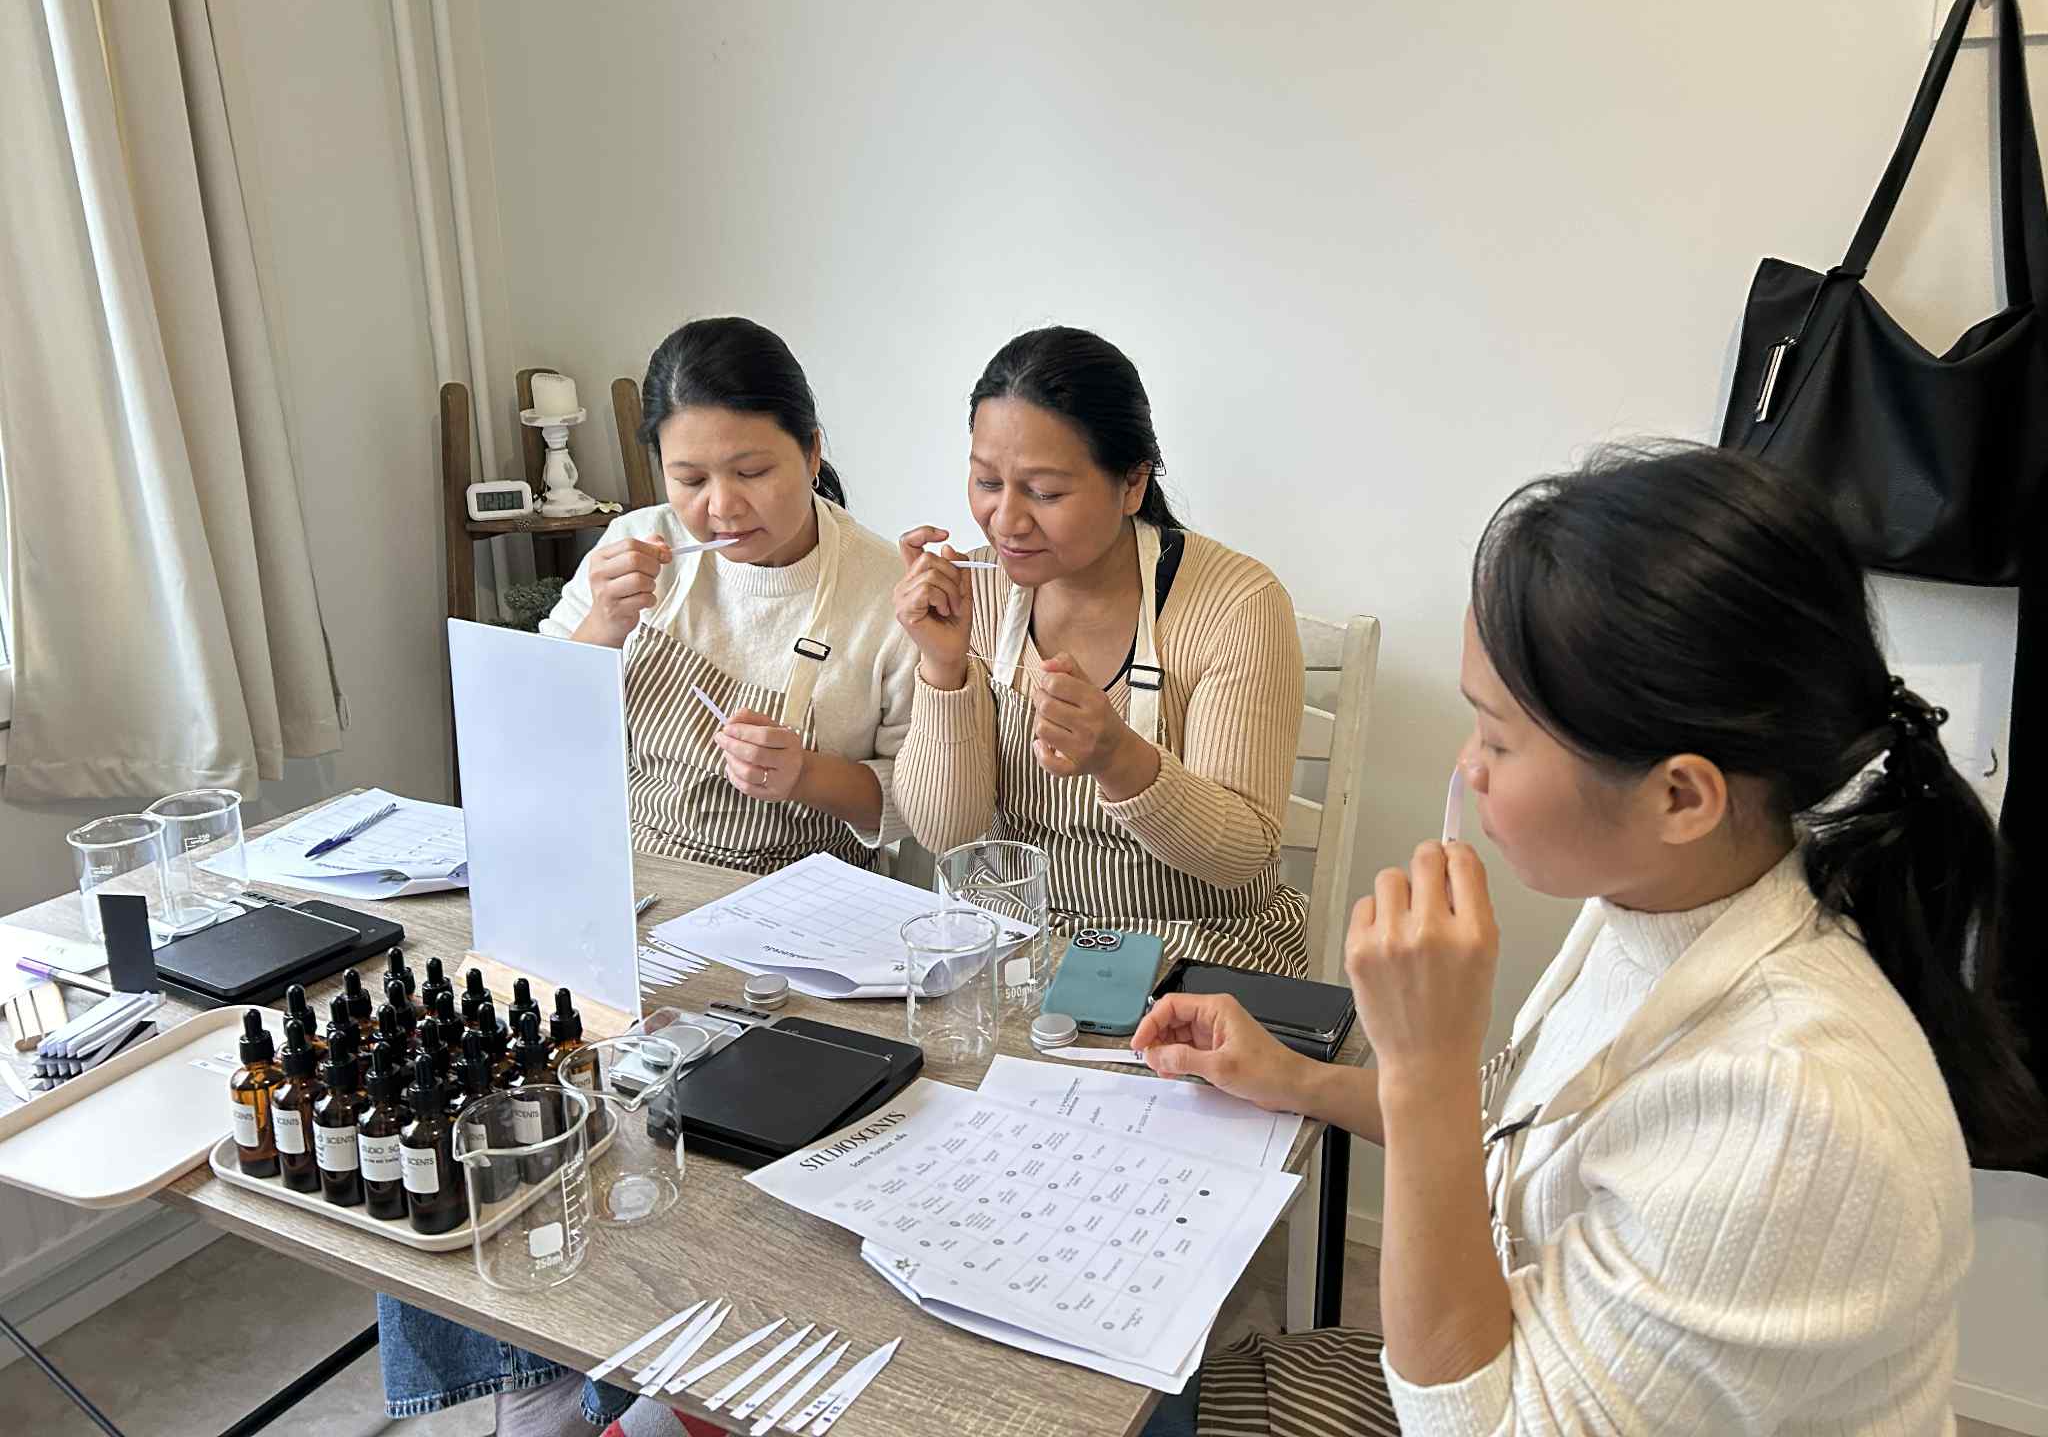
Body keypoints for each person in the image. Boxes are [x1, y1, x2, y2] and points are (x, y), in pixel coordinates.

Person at [1135, 445, 2044, 1436]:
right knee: (1185, 1388)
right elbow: (1521, 1131)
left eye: (1494, 738)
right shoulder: (1657, 905)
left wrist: (1423, 1068)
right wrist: (1292, 1078)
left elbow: (1474, 1425)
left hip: (1493, 1400)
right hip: (1521, 1350)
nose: (1465, 769)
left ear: (1679, 795)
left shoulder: (1792, 1117)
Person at [381, 317, 918, 1435]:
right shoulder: (632, 555)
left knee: (670, 1142)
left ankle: (650, 1379)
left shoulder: (878, 588)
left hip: (797, 935)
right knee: (472, 1078)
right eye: (688, 477)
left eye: (751, 470)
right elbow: (534, 754)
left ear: (813, 450)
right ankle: (525, 1370)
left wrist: (812, 773)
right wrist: (594, 632)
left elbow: (914, 810)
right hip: (627, 898)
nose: (719, 504)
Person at [893, 326, 1309, 975]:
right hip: (1018, 940)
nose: (1005, 520)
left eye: (1046, 492)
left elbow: (1239, 856)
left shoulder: (1236, 603)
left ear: (1133, 483)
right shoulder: (972, 592)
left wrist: (1117, 756)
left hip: (1196, 948)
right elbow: (950, 836)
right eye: (986, 482)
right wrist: (942, 668)